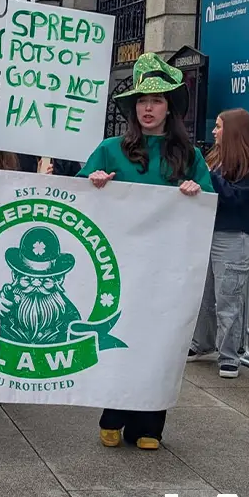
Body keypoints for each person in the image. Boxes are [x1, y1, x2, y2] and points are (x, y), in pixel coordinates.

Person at [79, 53, 213, 450]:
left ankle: (150, 424)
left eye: (155, 101)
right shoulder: (109, 149)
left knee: (160, 340)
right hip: (119, 266)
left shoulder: (189, 156)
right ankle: (112, 414)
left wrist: (196, 191)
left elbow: (210, 201)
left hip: (167, 271)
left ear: (169, 107)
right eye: (141, 101)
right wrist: (93, 180)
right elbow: (76, 194)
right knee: (119, 334)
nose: (147, 108)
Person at [190, 108, 249, 379]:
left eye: (219, 126)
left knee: (228, 298)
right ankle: (201, 343)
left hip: (232, 236)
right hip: (207, 233)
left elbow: (234, 198)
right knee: (203, 295)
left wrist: (207, 176)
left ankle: (229, 356)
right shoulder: (216, 159)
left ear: (233, 131)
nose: (214, 130)